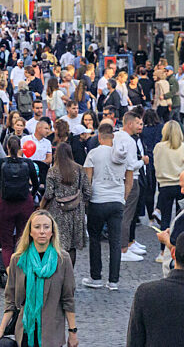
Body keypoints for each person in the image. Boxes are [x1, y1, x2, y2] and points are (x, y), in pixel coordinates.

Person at [0, 210, 79, 347]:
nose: (42, 231)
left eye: (46, 227)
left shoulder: (62, 259)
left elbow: (68, 299)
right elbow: (10, 300)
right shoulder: (18, 260)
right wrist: (1, 330)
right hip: (26, 331)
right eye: (37, 227)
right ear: (30, 232)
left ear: (52, 232)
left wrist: (72, 332)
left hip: (52, 334)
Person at [81, 123, 130, 290]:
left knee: (95, 239)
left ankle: (96, 278)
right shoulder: (123, 155)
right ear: (113, 137)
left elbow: (88, 180)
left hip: (98, 200)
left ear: (99, 137)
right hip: (116, 201)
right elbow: (129, 180)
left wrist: (86, 200)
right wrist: (123, 198)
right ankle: (113, 281)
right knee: (115, 241)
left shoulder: (93, 154)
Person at [0, 135, 40, 269]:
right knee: (22, 241)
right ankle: (22, 271)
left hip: (5, 205)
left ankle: (9, 272)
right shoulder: (28, 163)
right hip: (24, 204)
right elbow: (36, 183)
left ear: (7, 147)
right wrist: (31, 194)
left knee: (6, 244)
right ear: (20, 147)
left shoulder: (1, 163)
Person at [42, 143, 90, 265]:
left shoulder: (53, 171)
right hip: (76, 212)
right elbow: (88, 191)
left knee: (58, 244)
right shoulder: (79, 169)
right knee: (72, 246)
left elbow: (48, 194)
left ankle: (58, 273)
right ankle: (70, 274)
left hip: (58, 211)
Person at [112, 111, 148, 262]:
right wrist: (143, 161)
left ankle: (124, 246)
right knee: (127, 215)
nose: (139, 126)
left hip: (118, 179)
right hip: (131, 179)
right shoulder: (130, 141)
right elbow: (132, 165)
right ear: (130, 123)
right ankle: (123, 248)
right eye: (137, 122)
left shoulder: (116, 137)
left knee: (123, 214)